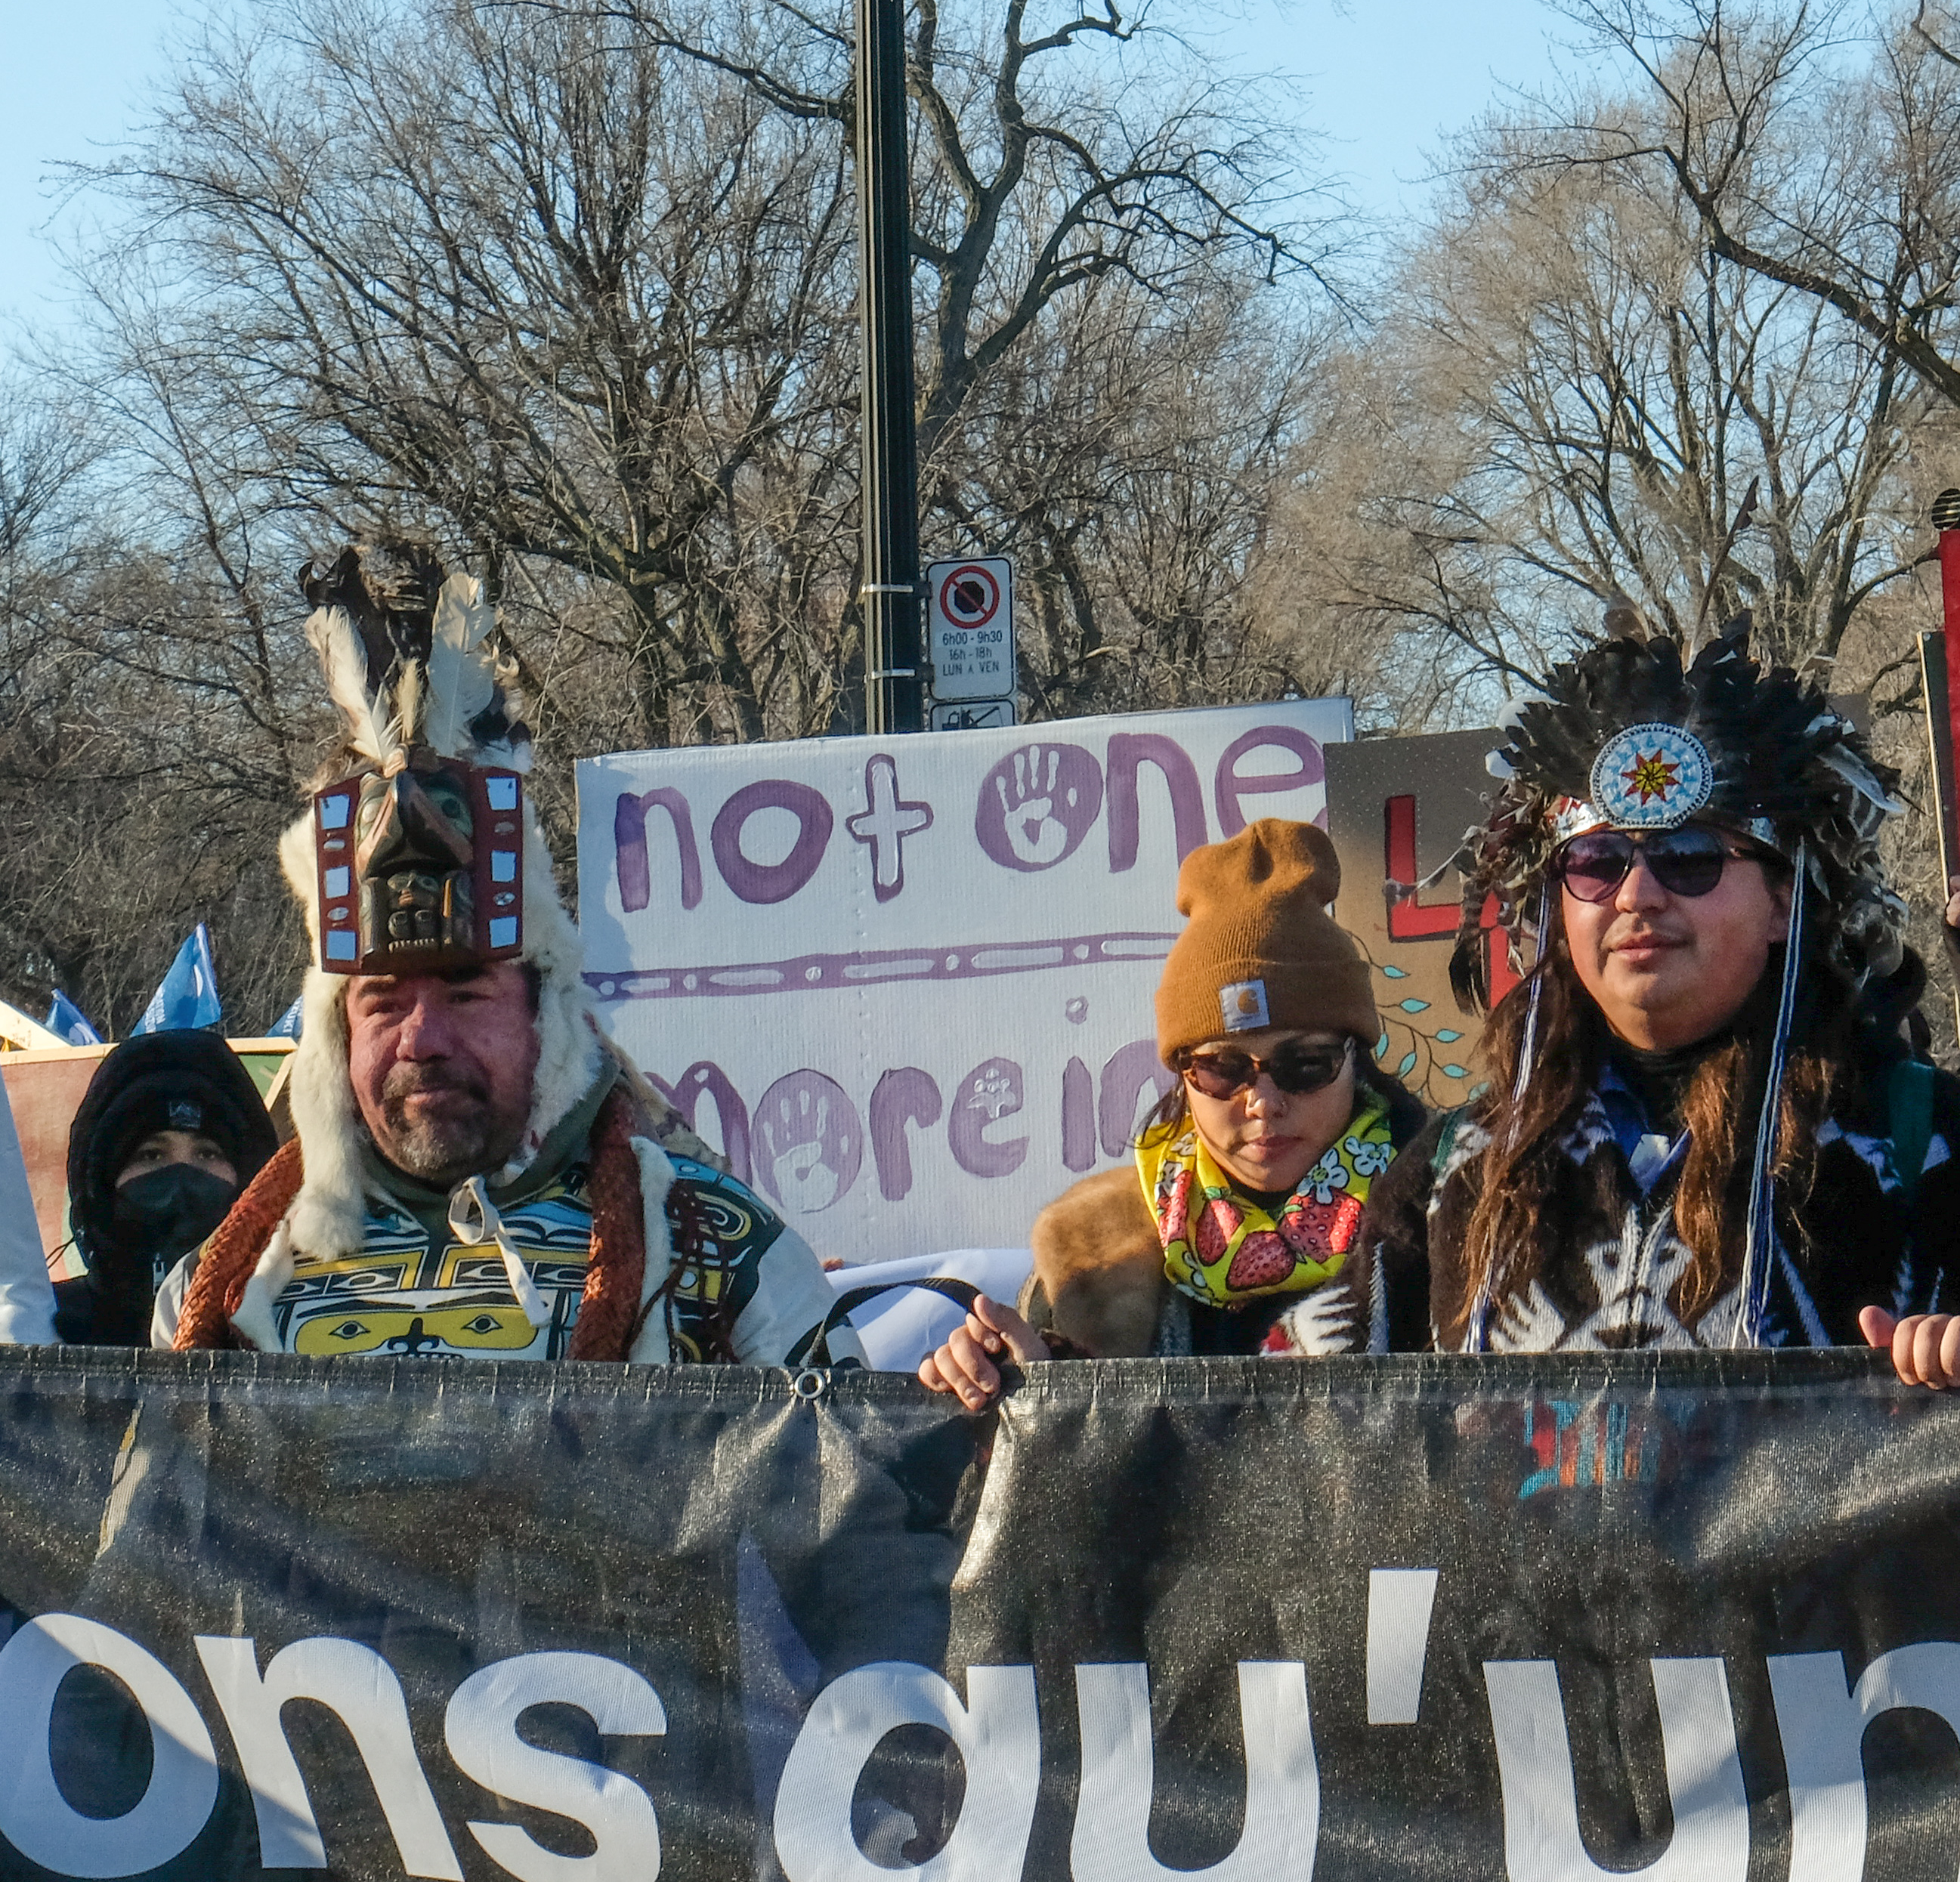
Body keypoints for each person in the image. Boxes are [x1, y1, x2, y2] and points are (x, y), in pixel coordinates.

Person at [159, 545, 854, 1365]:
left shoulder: (718, 1255)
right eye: (382, 1000)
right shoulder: (230, 1284)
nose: (421, 1039)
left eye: (464, 993)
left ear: (546, 1014)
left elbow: (858, 1484)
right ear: (334, 1035)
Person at [1278, 621, 1960, 1374]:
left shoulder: (1921, 1141)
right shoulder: (1455, 1167)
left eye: (1689, 856)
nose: (1637, 895)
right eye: (1598, 861)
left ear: (1782, 899)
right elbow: (1298, 1424)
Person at [920, 819, 1429, 1407]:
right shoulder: (1088, 1257)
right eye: (1223, 1069)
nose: (1262, 1102)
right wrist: (1009, 1392)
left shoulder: (1457, 1220)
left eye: (1306, 1064)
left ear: (1356, 1058)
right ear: (1182, 1075)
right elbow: (1064, 1489)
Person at [54, 1028, 277, 1345]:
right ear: (100, 1181)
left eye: (207, 1153)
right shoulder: (44, 1332)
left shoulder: (281, 1330)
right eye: (151, 1154)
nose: (182, 1179)